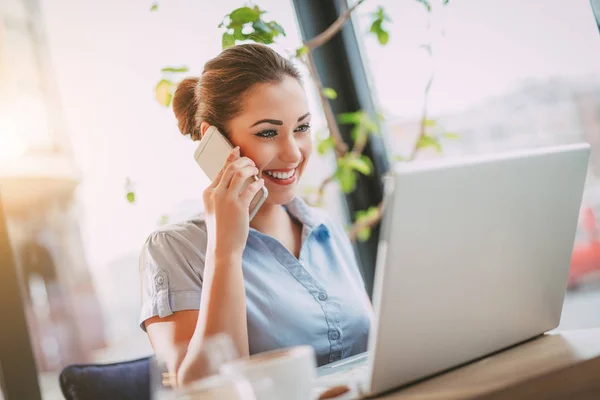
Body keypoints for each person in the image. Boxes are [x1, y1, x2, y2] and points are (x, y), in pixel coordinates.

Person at [139, 43, 372, 386]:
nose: (293, 153)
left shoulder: (325, 227)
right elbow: (204, 391)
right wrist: (225, 251)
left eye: (302, 127)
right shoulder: (174, 248)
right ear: (213, 139)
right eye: (267, 132)